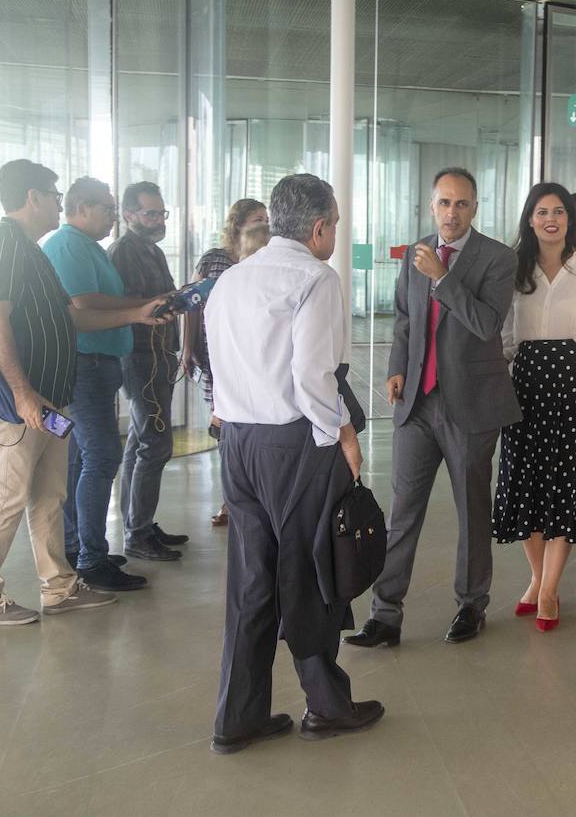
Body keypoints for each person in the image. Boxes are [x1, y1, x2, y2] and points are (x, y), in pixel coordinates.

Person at [205, 173, 382, 754]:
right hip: (295, 444)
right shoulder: (316, 278)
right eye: (335, 224)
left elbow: (218, 360)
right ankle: (327, 707)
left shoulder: (231, 279)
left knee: (251, 582)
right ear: (319, 227)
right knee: (310, 575)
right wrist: (343, 436)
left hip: (237, 443)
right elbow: (312, 376)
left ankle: (238, 717)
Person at [0, 159, 166, 626]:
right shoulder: (2, 247)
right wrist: (22, 393)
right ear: (32, 197)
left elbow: (70, 318)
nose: (60, 204)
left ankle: (59, 586)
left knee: (49, 495)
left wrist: (137, 314)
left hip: (50, 399)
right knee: (7, 497)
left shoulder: (32, 251)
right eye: (55, 196)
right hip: (19, 403)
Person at [345, 168, 521, 649]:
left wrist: (443, 279)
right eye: (444, 202)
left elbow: (486, 324)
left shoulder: (498, 258)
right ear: (431, 205)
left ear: (475, 208)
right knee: (402, 513)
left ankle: (471, 605)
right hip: (417, 405)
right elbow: (405, 319)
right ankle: (385, 615)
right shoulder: (416, 253)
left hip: (471, 406)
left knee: (472, 512)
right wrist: (396, 368)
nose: (452, 213)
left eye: (461, 204)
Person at [493, 182, 576, 632]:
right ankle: (537, 578)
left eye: (559, 212)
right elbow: (505, 336)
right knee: (524, 485)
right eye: (542, 212)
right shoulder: (513, 268)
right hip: (526, 384)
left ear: (570, 219)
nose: (551, 219)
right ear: (530, 219)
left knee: (568, 487)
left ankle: (548, 590)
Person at [42, 177, 158, 590]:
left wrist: (142, 307)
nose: (113, 217)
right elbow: (84, 304)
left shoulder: (87, 246)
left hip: (97, 363)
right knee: (102, 457)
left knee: (82, 459)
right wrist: (139, 310)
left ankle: (78, 547)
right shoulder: (67, 245)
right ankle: (90, 559)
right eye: (107, 209)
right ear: (81, 208)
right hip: (84, 365)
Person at [108, 181, 188, 558]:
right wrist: (168, 300)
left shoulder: (151, 250)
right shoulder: (124, 251)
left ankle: (138, 524)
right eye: (151, 213)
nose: (159, 220)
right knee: (155, 443)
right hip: (140, 356)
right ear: (129, 215)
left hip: (158, 354)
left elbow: (162, 296)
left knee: (141, 442)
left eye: (161, 212)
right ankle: (137, 534)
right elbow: (125, 304)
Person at [182, 197, 268, 527]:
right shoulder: (215, 259)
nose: (264, 223)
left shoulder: (264, 257)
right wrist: (187, 347)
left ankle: (248, 495)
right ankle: (232, 498)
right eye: (257, 218)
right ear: (238, 223)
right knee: (226, 429)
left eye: (266, 218)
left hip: (252, 359)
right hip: (216, 356)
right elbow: (191, 302)